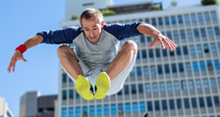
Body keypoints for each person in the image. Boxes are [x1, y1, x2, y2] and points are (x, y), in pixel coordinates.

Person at [8, 8, 177, 100]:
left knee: (131, 45)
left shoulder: (114, 31)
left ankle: (105, 81)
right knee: (61, 49)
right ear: (81, 27)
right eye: (86, 29)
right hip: (86, 75)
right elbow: (43, 36)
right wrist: (20, 49)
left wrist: (156, 34)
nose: (91, 33)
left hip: (111, 76)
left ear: (102, 24)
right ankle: (84, 84)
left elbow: (138, 26)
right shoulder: (74, 33)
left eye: (94, 28)